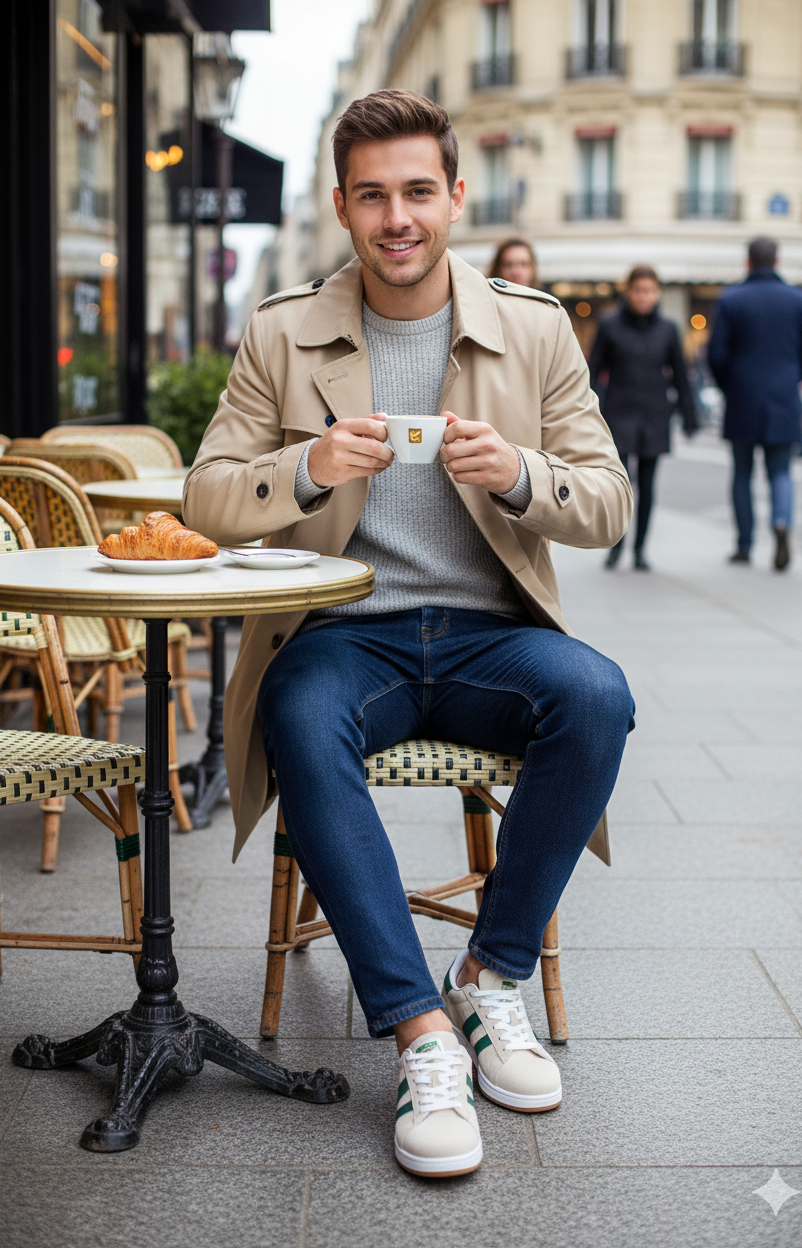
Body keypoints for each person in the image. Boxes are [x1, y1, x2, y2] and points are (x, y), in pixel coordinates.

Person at [183, 89, 634, 1179]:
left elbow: (607, 501)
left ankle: (488, 978)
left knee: (597, 694)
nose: (398, 217)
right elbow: (204, 499)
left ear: (454, 197)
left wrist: (520, 475)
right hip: (348, 634)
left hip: (489, 632)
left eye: (418, 192)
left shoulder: (532, 328)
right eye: (373, 195)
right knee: (296, 707)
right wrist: (307, 467)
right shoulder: (283, 330)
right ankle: (418, 1032)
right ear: (341, 206)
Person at [707, 237, 802, 570]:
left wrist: (731, 384)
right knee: (781, 472)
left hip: (742, 394)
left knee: (742, 473)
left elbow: (716, 355)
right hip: (784, 396)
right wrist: (792, 378)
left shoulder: (731, 300)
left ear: (748, 262)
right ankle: (782, 523)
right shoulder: (800, 301)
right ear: (777, 261)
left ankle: (745, 544)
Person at [588, 265, 697, 570]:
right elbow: (593, 372)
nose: (643, 296)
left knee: (648, 487)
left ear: (657, 293)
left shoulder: (668, 328)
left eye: (649, 290)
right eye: (638, 290)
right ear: (628, 291)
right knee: (621, 485)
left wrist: (690, 415)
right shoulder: (610, 325)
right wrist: (588, 412)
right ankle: (615, 546)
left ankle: (639, 549)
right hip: (618, 414)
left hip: (654, 415)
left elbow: (680, 374)